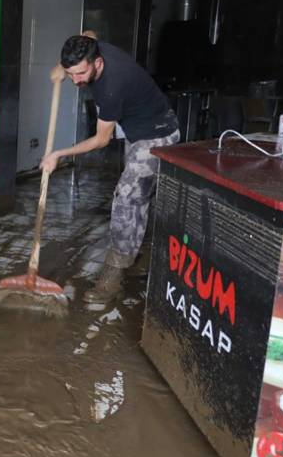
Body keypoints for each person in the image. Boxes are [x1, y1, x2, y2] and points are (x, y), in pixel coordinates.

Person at [39, 33, 180, 303]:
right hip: (136, 128)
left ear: (98, 62)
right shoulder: (91, 47)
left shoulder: (111, 86)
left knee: (128, 198)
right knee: (139, 197)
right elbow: (89, 33)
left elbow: (101, 140)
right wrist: (62, 66)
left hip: (157, 134)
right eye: (70, 74)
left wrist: (59, 153)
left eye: (80, 73)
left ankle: (112, 278)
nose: (76, 81)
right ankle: (138, 255)